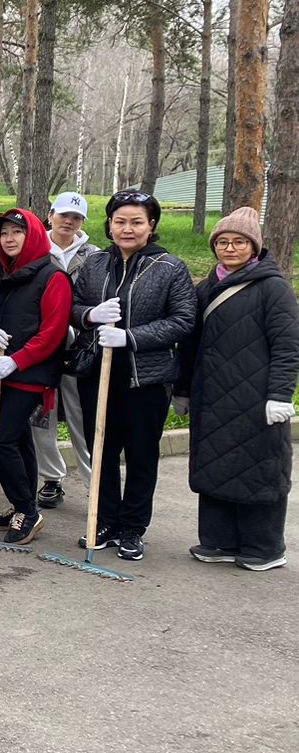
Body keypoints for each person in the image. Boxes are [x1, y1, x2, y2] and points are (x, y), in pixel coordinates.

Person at [68, 190, 196, 561]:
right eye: (120, 220)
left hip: (147, 378)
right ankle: (105, 519)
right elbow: (73, 305)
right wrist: (90, 316)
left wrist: (131, 336)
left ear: (151, 225)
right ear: (109, 224)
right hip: (98, 372)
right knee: (103, 449)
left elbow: (183, 320)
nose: (127, 228)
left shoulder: (170, 268)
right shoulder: (93, 265)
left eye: (136, 221)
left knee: (141, 454)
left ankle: (133, 527)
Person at [175, 207, 299, 571]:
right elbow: (190, 343)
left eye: (239, 242)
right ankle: (218, 540)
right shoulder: (207, 287)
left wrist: (280, 394)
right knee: (215, 464)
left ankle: (264, 547)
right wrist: (182, 389)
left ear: (255, 247)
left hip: (256, 397)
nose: (230, 248)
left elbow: (287, 345)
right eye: (223, 242)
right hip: (210, 395)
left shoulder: (273, 287)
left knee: (259, 467)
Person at [0, 207, 72, 545]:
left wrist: (17, 360)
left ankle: (26, 512)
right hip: (0, 372)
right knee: (18, 440)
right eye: (4, 234)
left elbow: (52, 332)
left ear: (32, 234)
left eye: (16, 232)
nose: (9, 239)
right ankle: (25, 504)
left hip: (30, 374)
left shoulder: (53, 277)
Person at [30, 191, 100, 509]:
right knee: (41, 416)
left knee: (82, 417)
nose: (68, 221)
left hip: (79, 347)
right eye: (63, 215)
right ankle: (52, 478)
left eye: (75, 217)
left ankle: (95, 484)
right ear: (51, 215)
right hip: (41, 345)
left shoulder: (95, 256)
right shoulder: (35, 249)